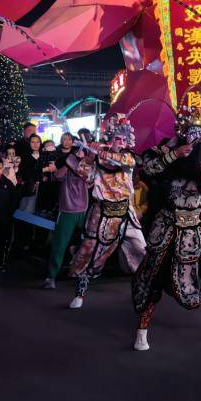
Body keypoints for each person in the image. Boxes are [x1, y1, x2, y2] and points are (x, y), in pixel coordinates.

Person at [131, 93, 201, 346]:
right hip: (167, 223)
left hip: (195, 226)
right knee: (154, 273)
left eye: (197, 129)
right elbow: (147, 169)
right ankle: (142, 329)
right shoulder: (166, 148)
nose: (193, 134)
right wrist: (174, 155)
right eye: (188, 128)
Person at [65, 115, 147, 314]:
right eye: (119, 139)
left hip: (125, 214)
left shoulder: (128, 157)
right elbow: (85, 175)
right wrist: (87, 156)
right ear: (111, 138)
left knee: (143, 252)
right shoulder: (98, 156)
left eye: (125, 139)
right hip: (102, 213)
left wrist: (97, 150)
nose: (122, 143)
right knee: (91, 255)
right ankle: (80, 292)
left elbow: (117, 162)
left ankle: (146, 291)